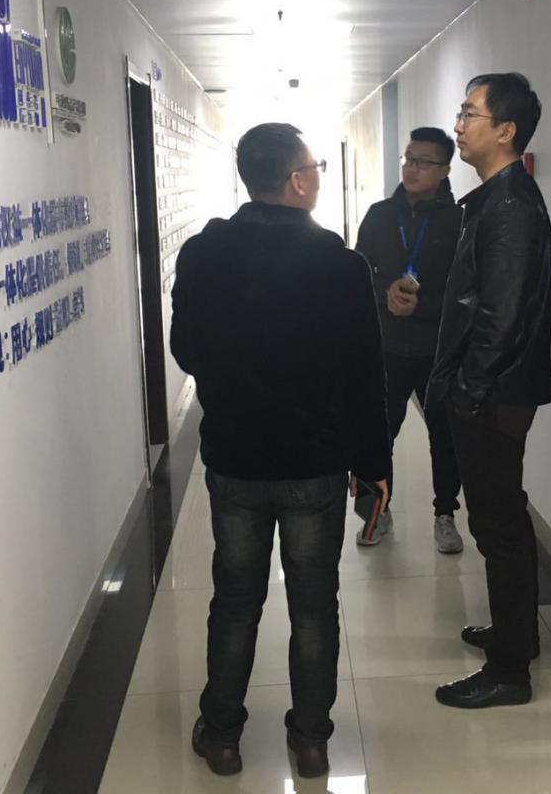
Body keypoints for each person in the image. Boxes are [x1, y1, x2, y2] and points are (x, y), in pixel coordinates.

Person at [171, 123, 391, 780]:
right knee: (314, 603)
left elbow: (186, 350)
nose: (318, 175)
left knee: (235, 600)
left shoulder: (203, 254)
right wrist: (373, 466)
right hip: (312, 463)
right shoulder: (340, 265)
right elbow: (365, 375)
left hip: (235, 457)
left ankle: (222, 736)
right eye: (314, 166)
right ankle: (311, 740)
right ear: (297, 181)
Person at [427, 72, 551, 709]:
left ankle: (510, 672)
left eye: (469, 114)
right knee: (502, 518)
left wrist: (467, 391)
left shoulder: (508, 207)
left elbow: (500, 317)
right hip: (492, 391)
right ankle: (515, 635)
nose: (458, 125)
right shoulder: (497, 198)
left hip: (491, 395)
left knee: (498, 526)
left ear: (505, 130)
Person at [354, 127, 464, 552]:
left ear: (444, 170)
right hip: (385, 347)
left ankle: (445, 514)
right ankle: (375, 513)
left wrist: (423, 306)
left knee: (445, 436)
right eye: (408, 158)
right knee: (376, 435)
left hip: (437, 350)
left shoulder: (458, 222)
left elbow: (464, 290)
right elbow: (358, 271)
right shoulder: (380, 215)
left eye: (423, 162)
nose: (412, 168)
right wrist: (385, 291)